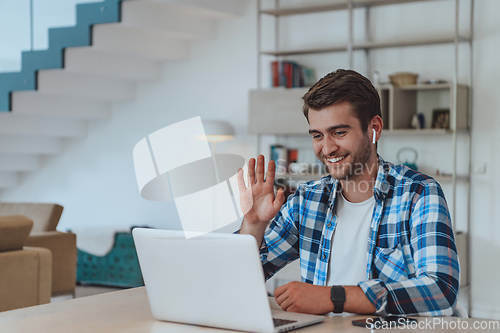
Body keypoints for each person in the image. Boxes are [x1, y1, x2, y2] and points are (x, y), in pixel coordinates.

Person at [237, 69, 459, 316]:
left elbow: (440, 289)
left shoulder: (418, 193)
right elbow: (241, 278)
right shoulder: (306, 200)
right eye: (317, 135)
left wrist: (333, 297)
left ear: (374, 128)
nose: (328, 148)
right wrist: (253, 225)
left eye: (339, 132)